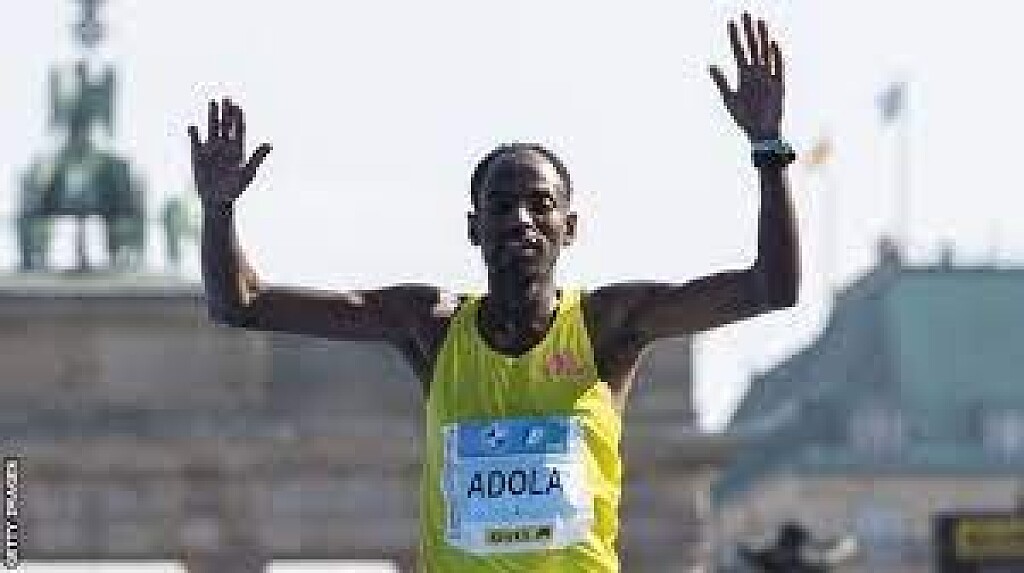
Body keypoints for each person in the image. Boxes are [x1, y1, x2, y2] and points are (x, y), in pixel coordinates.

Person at [188, 12, 798, 573]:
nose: (521, 220)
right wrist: (218, 209)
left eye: (540, 205)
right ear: (474, 227)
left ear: (569, 228)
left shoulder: (607, 325)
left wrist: (768, 148)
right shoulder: (429, 324)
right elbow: (239, 303)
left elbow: (771, 287)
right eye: (502, 206)